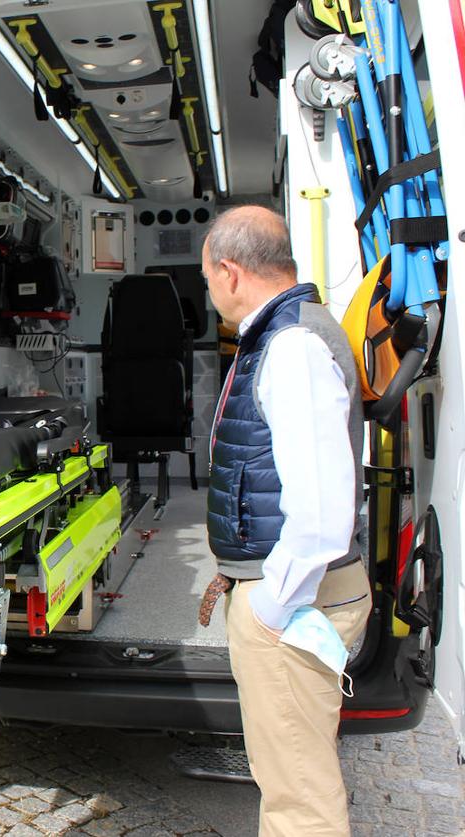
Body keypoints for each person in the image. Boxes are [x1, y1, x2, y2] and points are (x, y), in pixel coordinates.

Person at [200, 206, 371, 836]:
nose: (210, 292)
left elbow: (322, 512)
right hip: (297, 593)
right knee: (291, 772)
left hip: (300, 601)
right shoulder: (286, 332)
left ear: (230, 271)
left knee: (299, 798)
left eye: (207, 278)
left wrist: (270, 604)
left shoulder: (292, 346)